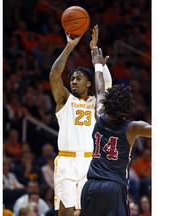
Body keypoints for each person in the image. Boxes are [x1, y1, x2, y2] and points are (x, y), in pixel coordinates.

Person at [80, 47, 151, 216]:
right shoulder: (133, 128)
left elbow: (99, 90)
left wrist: (98, 65)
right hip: (113, 187)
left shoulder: (99, 114)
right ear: (127, 108)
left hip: (90, 185)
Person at [49, 25, 111, 216]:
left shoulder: (96, 103)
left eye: (78, 78)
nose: (74, 81)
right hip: (67, 160)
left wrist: (98, 59)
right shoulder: (65, 101)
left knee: (88, 211)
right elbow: (54, 76)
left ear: (89, 83)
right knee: (66, 212)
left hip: (89, 161)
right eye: (72, 79)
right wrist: (70, 46)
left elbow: (107, 85)